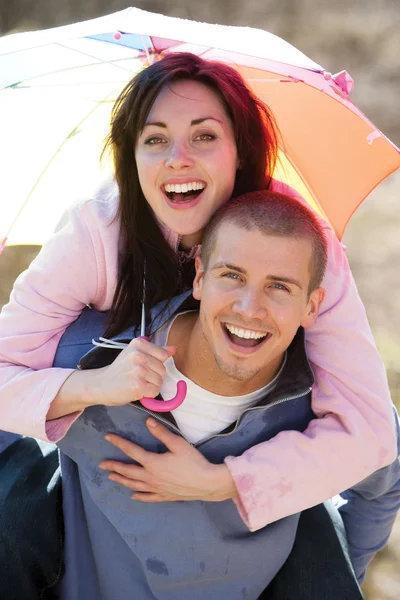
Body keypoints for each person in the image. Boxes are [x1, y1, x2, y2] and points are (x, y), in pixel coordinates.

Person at [0, 51, 396, 593]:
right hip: (100, 451)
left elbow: (370, 429)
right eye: (155, 138)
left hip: (255, 461)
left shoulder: (299, 241)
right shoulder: (96, 230)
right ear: (131, 157)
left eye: (204, 136)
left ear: (240, 152)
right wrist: (96, 384)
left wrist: (222, 481)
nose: (178, 158)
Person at [45, 191, 399, 599]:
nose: (250, 308)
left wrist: (332, 577)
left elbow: (383, 484)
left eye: (279, 287)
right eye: (232, 275)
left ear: (313, 306)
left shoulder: (334, 415)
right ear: (199, 276)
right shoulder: (86, 360)